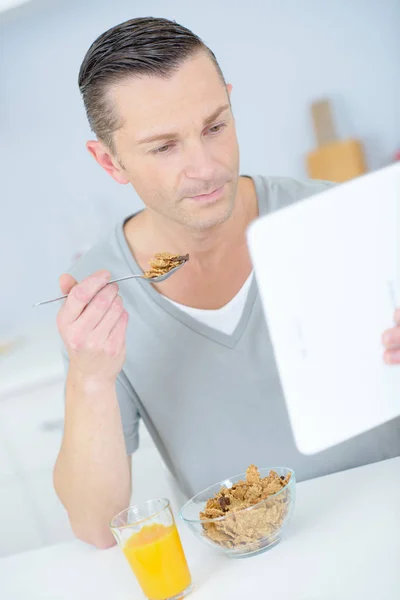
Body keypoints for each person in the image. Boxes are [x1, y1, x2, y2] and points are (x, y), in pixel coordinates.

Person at [53, 17, 400, 549]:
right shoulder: (98, 296)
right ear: (109, 160)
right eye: (164, 147)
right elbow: (99, 527)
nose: (205, 167)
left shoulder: (341, 215)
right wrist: (91, 381)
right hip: (250, 563)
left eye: (215, 127)